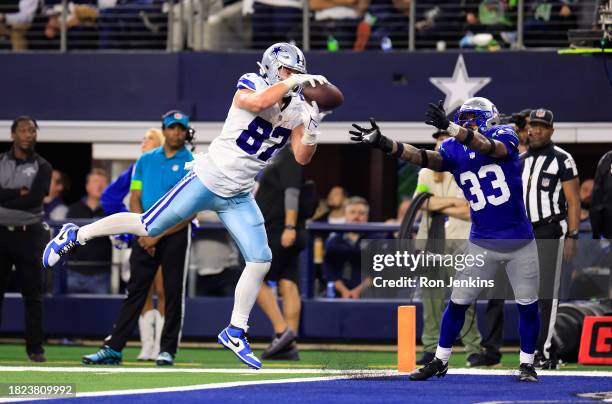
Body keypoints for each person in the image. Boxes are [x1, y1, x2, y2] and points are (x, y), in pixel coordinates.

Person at [43, 42, 328, 369]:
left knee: (261, 260)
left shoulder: (296, 109)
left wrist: (312, 126)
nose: (293, 77)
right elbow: (259, 101)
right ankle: (76, 234)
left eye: (297, 72)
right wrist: (292, 84)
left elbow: (303, 156)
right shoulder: (252, 81)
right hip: (208, 178)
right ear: (271, 67)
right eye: (287, 70)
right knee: (147, 225)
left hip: (239, 193)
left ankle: (236, 330)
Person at [351, 97, 541, 382]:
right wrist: (386, 144)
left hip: (519, 240)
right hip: (482, 241)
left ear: (489, 119)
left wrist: (452, 128)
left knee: (528, 304)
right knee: (458, 302)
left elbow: (490, 148)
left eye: (472, 119)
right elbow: (425, 158)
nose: (467, 125)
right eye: (463, 120)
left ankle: (527, 364)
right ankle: (440, 360)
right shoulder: (453, 147)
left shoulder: (504, 134)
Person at [81, 111, 194, 366]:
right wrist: (144, 229)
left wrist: (156, 234)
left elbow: (190, 210)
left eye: (180, 129)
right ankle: (114, 348)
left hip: (175, 233)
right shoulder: (145, 160)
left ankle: (167, 351)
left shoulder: (193, 162)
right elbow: (134, 197)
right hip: (144, 233)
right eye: (172, 128)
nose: (176, 133)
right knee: (135, 292)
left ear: (186, 132)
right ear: (163, 130)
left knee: (173, 291)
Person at [413, 129, 481, 367]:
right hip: (431, 241)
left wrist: (437, 205)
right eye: (439, 139)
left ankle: (473, 348)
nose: (441, 142)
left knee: (464, 299)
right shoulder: (425, 172)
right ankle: (430, 348)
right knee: (430, 300)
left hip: (461, 241)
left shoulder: (468, 168)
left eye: (446, 138)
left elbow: (471, 209)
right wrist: (453, 203)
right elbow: (420, 202)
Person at [99, 127, 166, 361]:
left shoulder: (171, 165)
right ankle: (147, 345)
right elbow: (109, 197)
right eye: (143, 139)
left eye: (150, 139)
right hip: (142, 232)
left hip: (167, 233)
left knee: (164, 289)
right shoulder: (138, 166)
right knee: (142, 290)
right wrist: (129, 226)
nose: (144, 142)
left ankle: (161, 345)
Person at [522, 108, 580, 369]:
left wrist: (573, 235)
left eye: (541, 126)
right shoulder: (519, 160)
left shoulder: (562, 159)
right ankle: (535, 349)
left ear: (551, 131)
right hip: (523, 233)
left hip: (549, 230)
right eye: (532, 125)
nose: (535, 130)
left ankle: (543, 353)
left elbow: (574, 201)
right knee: (527, 295)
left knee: (547, 295)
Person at [0, 116, 52, 362]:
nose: (28, 135)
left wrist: (4, 198)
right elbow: (23, 197)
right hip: (0, 233)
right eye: (23, 130)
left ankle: (35, 348)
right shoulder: (0, 162)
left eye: (32, 130)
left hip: (29, 233)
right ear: (13, 135)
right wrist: (15, 193)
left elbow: (34, 200)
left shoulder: (43, 166)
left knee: (33, 295)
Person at [256, 146, 307, 360]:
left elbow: (292, 192)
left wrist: (289, 227)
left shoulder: (290, 155)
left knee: (254, 278)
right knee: (288, 281)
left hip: (279, 228)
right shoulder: (279, 155)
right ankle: (290, 344)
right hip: (287, 228)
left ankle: (282, 332)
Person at [64, 169, 112, 294]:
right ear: (87, 186)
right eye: (95, 181)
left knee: (100, 312)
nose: (99, 185)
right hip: (74, 272)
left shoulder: (112, 211)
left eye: (103, 182)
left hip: (101, 274)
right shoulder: (74, 210)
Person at [324, 196, 376, 299]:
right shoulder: (334, 241)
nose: (356, 217)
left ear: (367, 216)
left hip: (369, 295)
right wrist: (345, 292)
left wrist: (357, 291)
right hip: (338, 295)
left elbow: (379, 273)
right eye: (352, 212)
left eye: (361, 213)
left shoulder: (376, 239)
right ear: (345, 215)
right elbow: (329, 272)